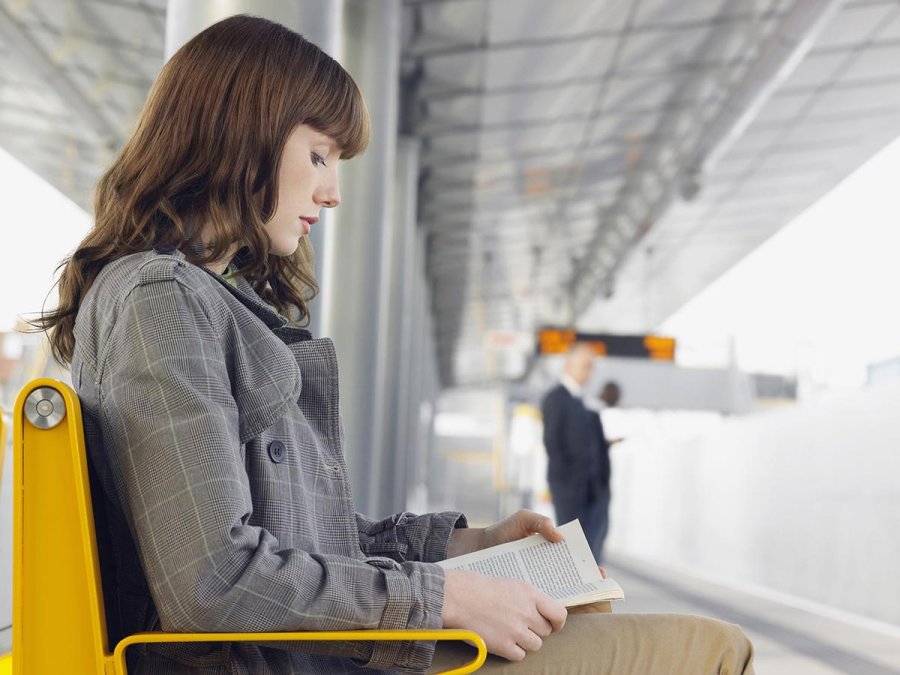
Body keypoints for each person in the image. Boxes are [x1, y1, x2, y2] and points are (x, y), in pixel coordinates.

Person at [35, 15, 754, 674]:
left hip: (314, 656)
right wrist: (445, 599)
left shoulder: (192, 299)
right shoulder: (161, 301)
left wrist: (467, 547)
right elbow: (212, 580)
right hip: (296, 664)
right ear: (242, 135)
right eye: (319, 154)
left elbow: (303, 537)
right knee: (717, 651)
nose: (333, 191)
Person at [540, 344, 611, 564]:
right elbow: (553, 443)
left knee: (591, 553)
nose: (589, 373)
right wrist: (565, 484)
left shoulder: (583, 404)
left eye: (592, 368)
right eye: (586, 366)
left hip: (594, 491)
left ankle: (590, 597)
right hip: (571, 491)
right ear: (569, 364)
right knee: (573, 554)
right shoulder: (556, 399)